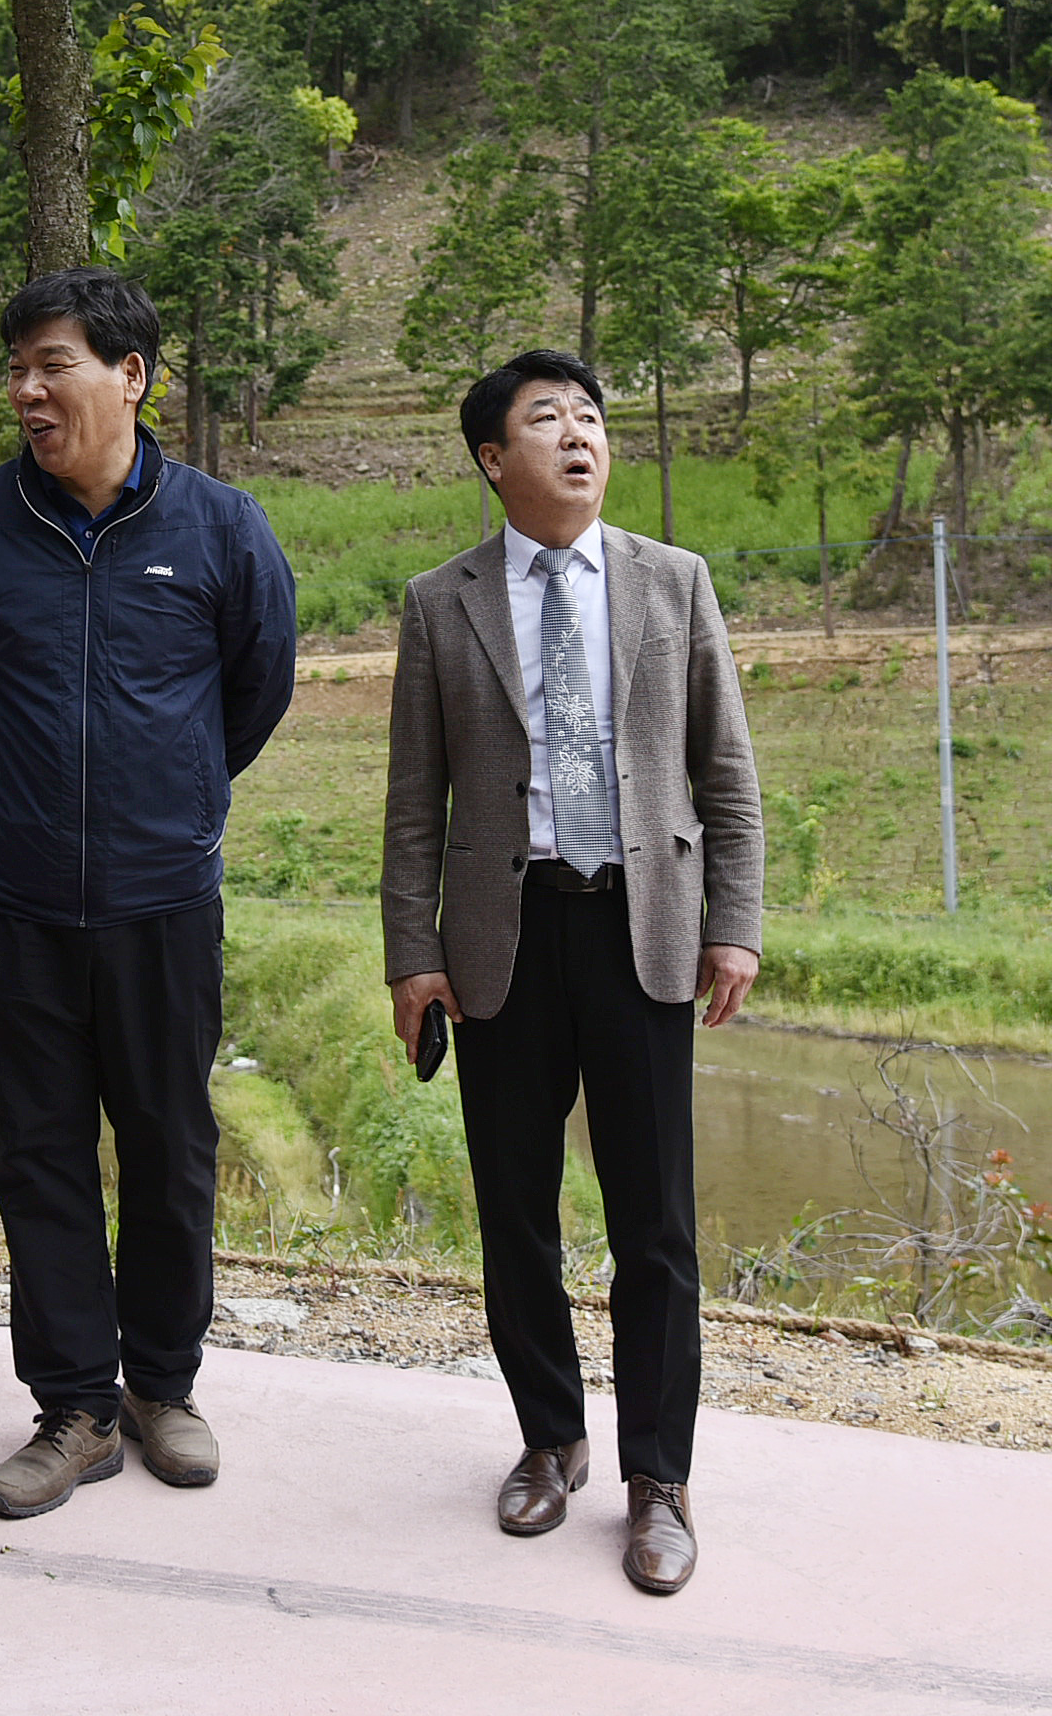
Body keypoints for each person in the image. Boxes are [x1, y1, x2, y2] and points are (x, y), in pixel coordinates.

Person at [0, 268, 298, 1520]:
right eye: (15, 364)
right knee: (41, 1151)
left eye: (52, 361)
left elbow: (256, 691)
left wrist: (164, 795)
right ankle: (73, 1405)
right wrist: (24, 800)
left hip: (162, 894)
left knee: (174, 1147)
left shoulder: (222, 528)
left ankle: (162, 1386)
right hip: (13, 894)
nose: (25, 386)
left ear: (131, 374)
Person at [377, 349, 763, 1597]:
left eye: (588, 416)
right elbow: (411, 807)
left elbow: (726, 774)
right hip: (503, 935)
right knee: (515, 1214)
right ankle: (550, 1439)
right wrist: (411, 954)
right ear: (494, 459)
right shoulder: (442, 603)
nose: (577, 435)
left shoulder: (671, 581)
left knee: (654, 1222)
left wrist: (735, 921)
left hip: (641, 926)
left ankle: (660, 1475)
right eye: (545, 419)